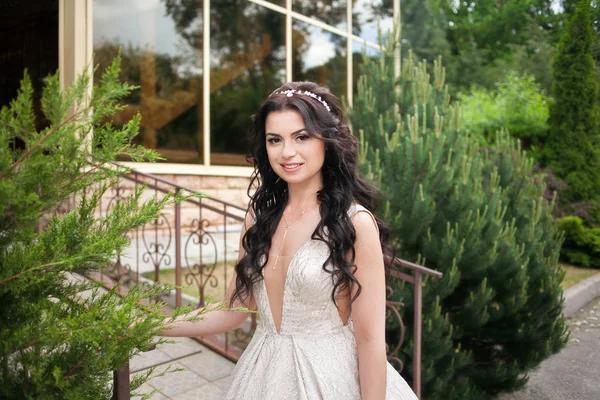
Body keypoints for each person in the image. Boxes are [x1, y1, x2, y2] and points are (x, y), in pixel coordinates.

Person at [159, 82, 418, 400]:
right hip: (262, 375)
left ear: (327, 140)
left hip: (331, 381)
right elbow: (232, 312)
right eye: (275, 140)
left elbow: (370, 341)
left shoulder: (353, 223)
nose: (287, 152)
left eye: (302, 137)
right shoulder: (258, 219)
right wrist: (149, 325)